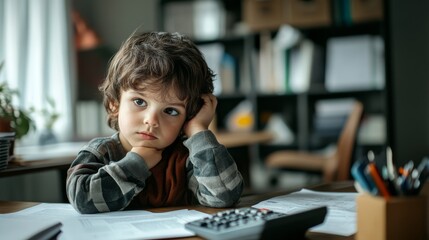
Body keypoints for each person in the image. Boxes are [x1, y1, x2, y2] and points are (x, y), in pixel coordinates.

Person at [66, 31, 244, 214]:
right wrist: (137, 163)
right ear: (114, 104)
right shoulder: (101, 152)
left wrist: (198, 130)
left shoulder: (187, 158)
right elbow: (82, 200)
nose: (151, 121)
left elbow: (225, 197)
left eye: (171, 111)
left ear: (188, 117)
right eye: (139, 102)